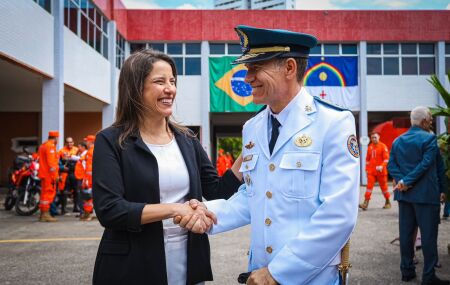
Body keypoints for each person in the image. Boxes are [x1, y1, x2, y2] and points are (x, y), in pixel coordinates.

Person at [177, 25, 360, 285]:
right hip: (259, 272)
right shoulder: (252, 128)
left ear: (289, 68)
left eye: (256, 67)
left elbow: (338, 215)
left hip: (310, 277)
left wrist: (278, 273)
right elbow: (254, 196)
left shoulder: (333, 123)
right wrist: (207, 213)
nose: (247, 77)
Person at [92, 49, 243, 285]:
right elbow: (110, 210)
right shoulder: (110, 141)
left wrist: (244, 160)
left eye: (172, 81)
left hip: (188, 259)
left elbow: (216, 191)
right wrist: (175, 209)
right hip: (133, 264)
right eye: (159, 81)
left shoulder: (187, 139)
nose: (170, 89)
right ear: (135, 88)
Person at [387, 106, 448, 285]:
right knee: (428, 237)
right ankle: (428, 277)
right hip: (426, 196)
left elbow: (392, 166)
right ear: (423, 122)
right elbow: (428, 164)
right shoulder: (429, 139)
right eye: (430, 118)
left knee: (406, 235)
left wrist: (402, 181)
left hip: (404, 197)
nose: (431, 121)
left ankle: (407, 271)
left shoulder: (398, 140)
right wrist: (407, 181)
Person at [359, 132, 391, 210]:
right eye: (372, 137)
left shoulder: (383, 147)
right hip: (371, 171)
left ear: (379, 137)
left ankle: (387, 201)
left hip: (381, 172)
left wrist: (382, 166)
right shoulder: (370, 147)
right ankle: (365, 203)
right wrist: (367, 169)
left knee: (384, 188)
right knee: (369, 187)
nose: (373, 139)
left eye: (375, 137)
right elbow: (367, 159)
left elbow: (386, 159)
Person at [38, 130, 60, 222]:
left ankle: (43, 214)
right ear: (55, 138)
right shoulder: (50, 146)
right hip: (49, 175)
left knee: (44, 194)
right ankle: (46, 214)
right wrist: (55, 175)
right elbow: (52, 163)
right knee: (48, 193)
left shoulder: (43, 145)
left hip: (43, 173)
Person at [57, 137, 79, 214]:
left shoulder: (77, 150)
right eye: (68, 142)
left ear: (73, 142)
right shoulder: (61, 151)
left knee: (76, 190)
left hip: (74, 173)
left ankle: (76, 207)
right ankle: (63, 209)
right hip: (65, 173)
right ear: (65, 143)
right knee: (64, 191)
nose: (69, 144)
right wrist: (61, 169)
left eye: (71, 142)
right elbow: (58, 162)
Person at [80, 135, 95, 221]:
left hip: (89, 178)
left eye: (87, 141)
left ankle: (88, 214)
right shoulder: (92, 151)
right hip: (90, 177)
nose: (85, 143)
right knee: (89, 196)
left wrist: (86, 180)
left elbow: (89, 168)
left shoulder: (91, 152)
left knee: (88, 196)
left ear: (90, 142)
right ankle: (88, 213)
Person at [74, 141, 88, 216]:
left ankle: (83, 212)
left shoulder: (85, 154)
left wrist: (84, 180)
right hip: (80, 177)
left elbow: (85, 167)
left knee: (81, 195)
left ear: (83, 147)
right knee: (81, 194)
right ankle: (83, 212)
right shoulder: (82, 154)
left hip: (82, 178)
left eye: (79, 147)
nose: (78, 148)